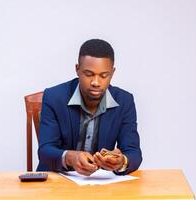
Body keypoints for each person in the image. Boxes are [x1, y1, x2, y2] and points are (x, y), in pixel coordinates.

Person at [37, 39, 142, 176]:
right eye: (89, 74)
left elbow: (133, 152)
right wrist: (71, 157)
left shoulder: (124, 101)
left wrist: (122, 162)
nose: (96, 82)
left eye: (104, 75)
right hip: (58, 182)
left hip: (102, 186)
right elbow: (45, 151)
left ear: (112, 72)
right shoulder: (53, 97)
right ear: (77, 69)